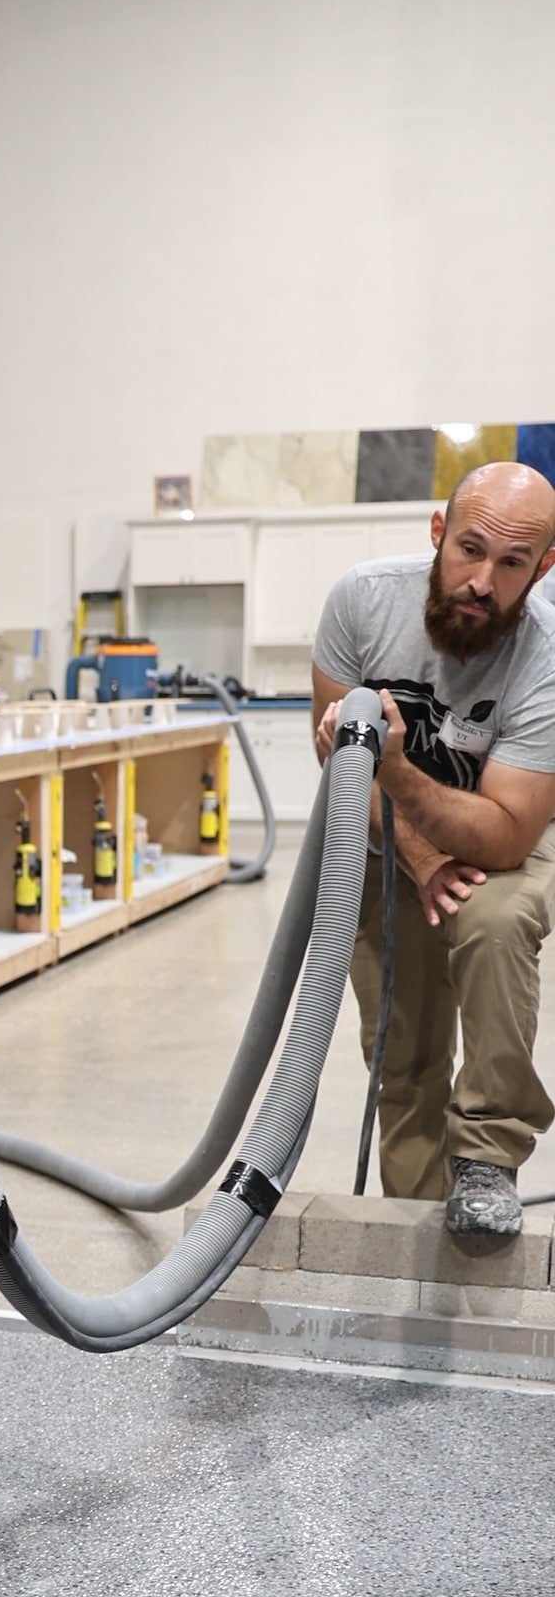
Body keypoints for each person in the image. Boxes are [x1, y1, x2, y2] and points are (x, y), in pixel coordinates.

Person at [313, 460, 555, 1239]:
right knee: (403, 1048)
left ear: (542, 568)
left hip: (504, 842)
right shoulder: (362, 601)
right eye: (470, 549)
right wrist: (416, 855)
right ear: (437, 532)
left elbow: (510, 830)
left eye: (512, 563)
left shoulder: (547, 654)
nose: (482, 581)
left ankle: (487, 1155)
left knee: (494, 922)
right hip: (384, 841)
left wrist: (398, 773)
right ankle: (418, 1228)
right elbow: (336, 760)